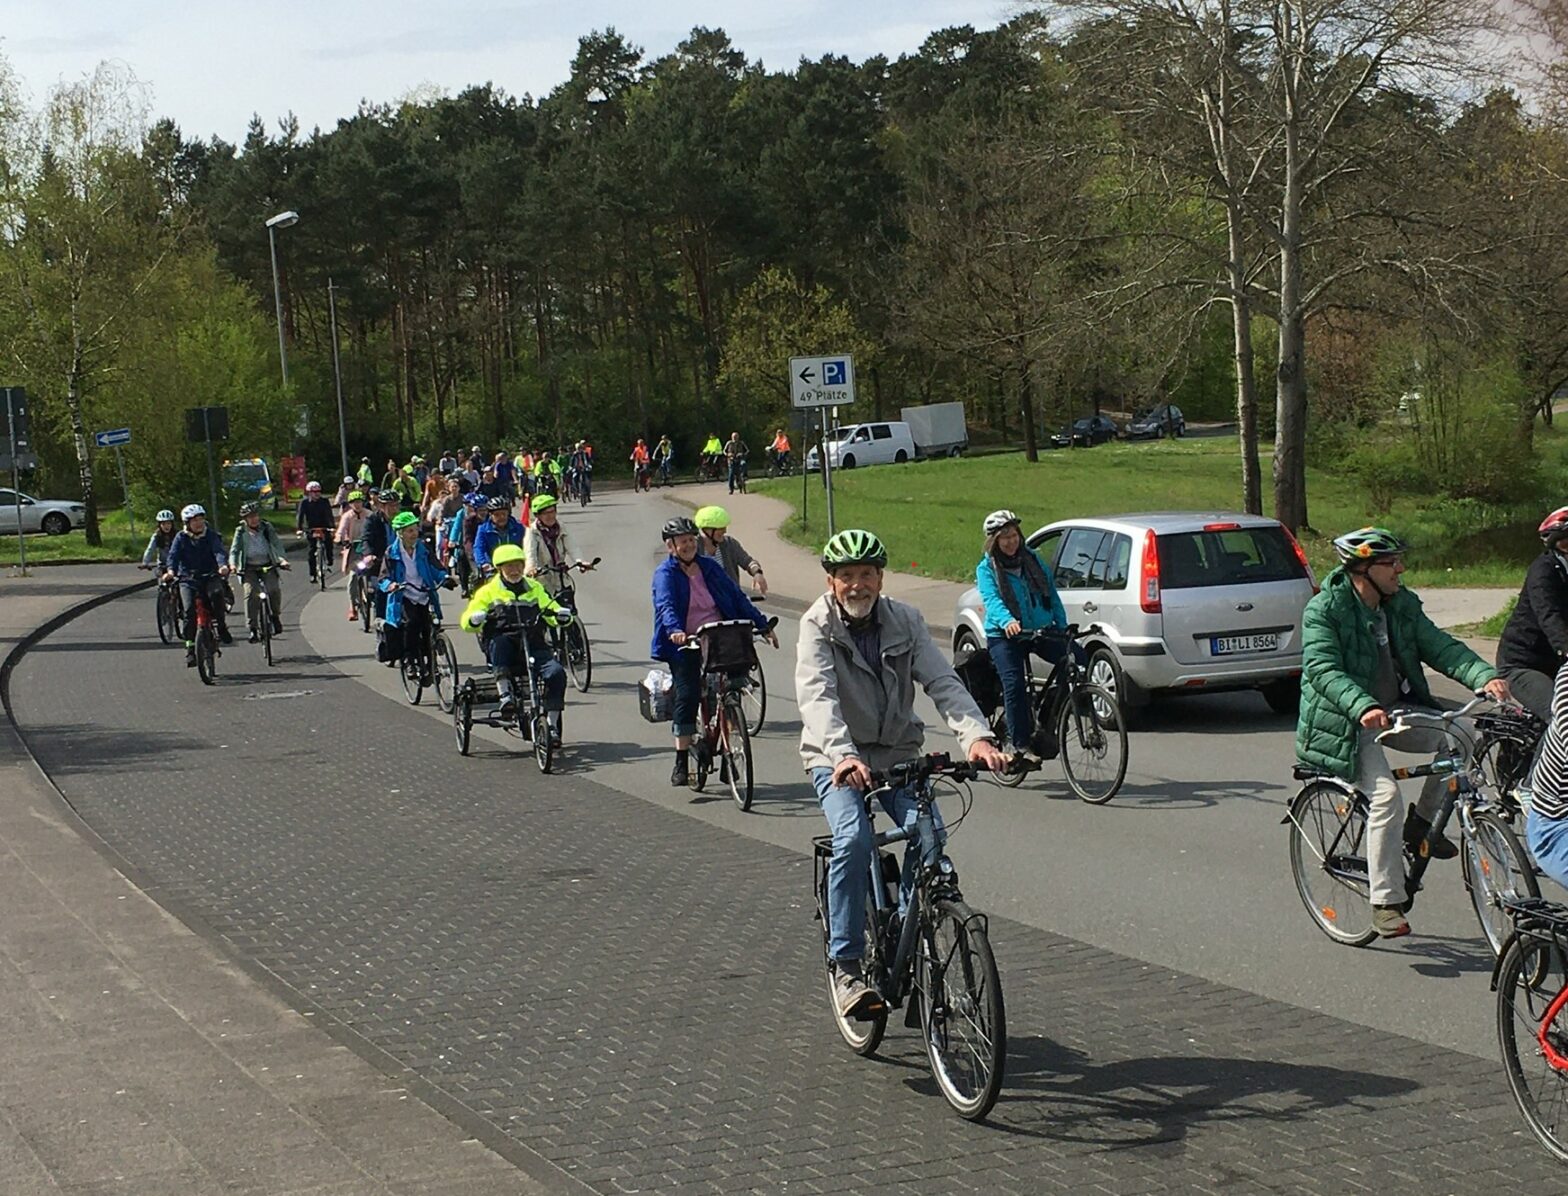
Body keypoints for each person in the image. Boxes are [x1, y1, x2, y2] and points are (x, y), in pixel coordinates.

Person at [797, 528, 1008, 1017]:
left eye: (865, 574)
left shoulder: (906, 620)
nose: (857, 585)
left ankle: (912, 939)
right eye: (846, 576)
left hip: (896, 752)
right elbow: (817, 697)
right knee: (854, 839)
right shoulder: (817, 625)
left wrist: (976, 737)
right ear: (831, 582)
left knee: (930, 836)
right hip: (836, 757)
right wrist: (843, 755)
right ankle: (847, 967)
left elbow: (942, 681)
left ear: (880, 577)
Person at [1296, 525, 1511, 939]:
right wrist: (1362, 706)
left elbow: (1440, 646)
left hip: (1393, 711)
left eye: (1399, 561)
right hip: (1346, 721)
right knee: (1386, 798)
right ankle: (1385, 902)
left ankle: (1423, 825)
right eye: (1391, 563)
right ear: (1362, 568)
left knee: (1462, 732)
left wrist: (1483, 676)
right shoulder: (1324, 610)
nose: (1401, 569)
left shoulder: (1400, 604)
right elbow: (1322, 670)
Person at [651, 516, 777, 788]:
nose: (688, 545)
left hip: (718, 635)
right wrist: (675, 630)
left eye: (691, 540)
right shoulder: (665, 575)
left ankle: (729, 744)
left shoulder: (709, 567)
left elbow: (735, 597)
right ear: (670, 546)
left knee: (732, 687)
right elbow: (665, 605)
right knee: (688, 694)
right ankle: (682, 760)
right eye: (682, 541)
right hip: (685, 642)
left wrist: (762, 625)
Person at [975, 509, 1077, 759]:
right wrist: (1008, 621)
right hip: (1004, 635)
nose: (1011, 542)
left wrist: (1062, 628)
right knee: (1015, 684)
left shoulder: (1032, 560)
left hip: (1038, 629)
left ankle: (1046, 716)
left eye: (1014, 535)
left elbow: (1051, 595)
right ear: (994, 541)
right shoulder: (987, 568)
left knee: (1077, 661)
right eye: (1004, 537)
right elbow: (992, 600)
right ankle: (1020, 744)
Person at [462, 544, 570, 742]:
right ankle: (506, 698)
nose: (514, 570)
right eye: (509, 566)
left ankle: (552, 726)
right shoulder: (488, 591)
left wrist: (561, 616)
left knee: (556, 673)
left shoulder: (535, 587)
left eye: (518, 565)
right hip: (506, 646)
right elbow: (468, 618)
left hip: (534, 643)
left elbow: (550, 608)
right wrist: (474, 620)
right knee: (499, 643)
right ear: (500, 569)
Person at [1495, 506, 1568, 722]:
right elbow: (1549, 615)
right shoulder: (1543, 570)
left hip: (1556, 663)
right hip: (1522, 664)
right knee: (1559, 717)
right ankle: (1542, 758)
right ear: (1557, 545)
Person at [378, 511, 451, 672]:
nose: (414, 534)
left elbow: (436, 567)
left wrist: (445, 578)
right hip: (404, 595)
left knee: (428, 626)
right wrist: (391, 585)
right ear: (400, 533)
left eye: (415, 529)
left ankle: (430, 659)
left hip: (424, 594)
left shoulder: (423, 549)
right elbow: (383, 579)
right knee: (411, 624)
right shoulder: (391, 553)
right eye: (409, 531)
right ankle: (410, 661)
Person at [163, 504, 234, 664]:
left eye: (201, 519)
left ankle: (221, 627)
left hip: (210, 575)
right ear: (187, 523)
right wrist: (171, 571)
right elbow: (173, 556)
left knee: (217, 595)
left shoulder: (210, 535)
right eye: (194, 520)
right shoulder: (181, 537)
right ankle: (190, 648)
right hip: (188, 579)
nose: (198, 523)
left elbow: (218, 551)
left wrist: (222, 565)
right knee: (188, 611)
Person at [229, 501, 290, 641]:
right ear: (245, 519)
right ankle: (253, 628)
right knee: (250, 594)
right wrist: (232, 565)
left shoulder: (267, 528)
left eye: (255, 515)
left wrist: (282, 560)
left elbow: (277, 545)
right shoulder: (241, 531)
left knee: (273, 589)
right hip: (249, 568)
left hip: (267, 565)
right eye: (250, 517)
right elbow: (234, 550)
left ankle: (275, 617)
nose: (254, 519)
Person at [523, 494, 595, 597]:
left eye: (552, 511)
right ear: (537, 515)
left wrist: (580, 562)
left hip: (561, 578)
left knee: (569, 610)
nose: (550, 516)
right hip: (542, 581)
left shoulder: (561, 527)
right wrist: (531, 568)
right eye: (545, 513)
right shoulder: (532, 532)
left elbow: (572, 547)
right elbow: (530, 553)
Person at [694, 505, 767, 595]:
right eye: (720, 528)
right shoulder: (693, 548)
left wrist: (757, 573)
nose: (724, 531)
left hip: (730, 598)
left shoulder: (729, 543)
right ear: (707, 530)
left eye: (724, 527)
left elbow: (748, 562)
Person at [360, 491, 400, 621]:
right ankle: (381, 623)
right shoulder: (372, 520)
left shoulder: (402, 518)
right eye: (390, 506)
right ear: (382, 506)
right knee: (381, 591)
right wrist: (369, 555)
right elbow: (366, 539)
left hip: (400, 560)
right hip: (380, 561)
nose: (394, 509)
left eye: (396, 505)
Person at [472, 496, 525, 577]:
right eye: (497, 515)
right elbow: (478, 548)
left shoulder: (518, 528)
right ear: (490, 515)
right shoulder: (483, 529)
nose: (501, 517)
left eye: (504, 514)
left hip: (516, 566)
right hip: (493, 568)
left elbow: (527, 546)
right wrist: (483, 563)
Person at [295, 480, 335, 582]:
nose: (317, 494)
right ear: (309, 493)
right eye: (314, 492)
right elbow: (300, 516)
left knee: (328, 543)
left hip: (323, 526)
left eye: (318, 491)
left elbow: (329, 515)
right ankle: (312, 574)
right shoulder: (304, 503)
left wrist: (332, 527)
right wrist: (299, 529)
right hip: (310, 527)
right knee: (311, 550)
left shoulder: (324, 502)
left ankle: (329, 559)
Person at [336, 491, 369, 617]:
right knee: (353, 577)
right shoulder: (347, 516)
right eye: (355, 502)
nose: (358, 505)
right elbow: (341, 529)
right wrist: (340, 538)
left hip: (367, 548)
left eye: (359, 502)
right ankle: (352, 605)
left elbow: (374, 528)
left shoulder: (369, 515)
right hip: (353, 548)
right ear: (350, 504)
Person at [140, 509, 179, 574]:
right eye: (163, 524)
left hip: (177, 564)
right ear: (159, 525)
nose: (166, 526)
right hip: (162, 565)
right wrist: (145, 563)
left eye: (168, 523)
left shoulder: (178, 535)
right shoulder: (156, 536)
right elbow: (150, 549)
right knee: (160, 577)